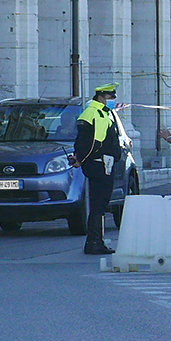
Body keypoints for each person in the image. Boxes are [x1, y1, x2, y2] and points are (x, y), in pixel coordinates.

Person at [71, 83, 121, 255]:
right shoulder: (98, 114)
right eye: (110, 97)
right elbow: (95, 143)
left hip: (96, 163)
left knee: (97, 204)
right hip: (100, 164)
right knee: (100, 205)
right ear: (101, 97)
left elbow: (81, 141)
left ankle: (94, 241)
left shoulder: (92, 112)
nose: (113, 101)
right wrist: (81, 159)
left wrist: (79, 157)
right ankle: (95, 242)